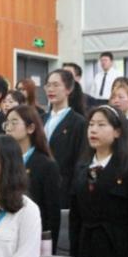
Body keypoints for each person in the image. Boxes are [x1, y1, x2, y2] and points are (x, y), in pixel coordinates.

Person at [69, 106, 128, 257]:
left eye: (101, 125)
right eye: (91, 124)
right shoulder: (82, 166)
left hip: (117, 249)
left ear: (117, 132)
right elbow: (75, 217)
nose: (93, 130)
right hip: (85, 249)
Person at [5, 105, 61, 238]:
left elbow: (52, 213)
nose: (8, 127)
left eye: (14, 122)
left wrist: (48, 243)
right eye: (6, 123)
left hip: (33, 232)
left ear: (30, 128)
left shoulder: (46, 165)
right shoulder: (3, 161)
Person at [44, 69, 87, 209]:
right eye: (48, 85)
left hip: (64, 188)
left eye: (56, 85)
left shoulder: (79, 122)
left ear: (68, 89)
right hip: (39, 186)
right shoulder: (40, 119)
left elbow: (80, 160)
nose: (51, 89)